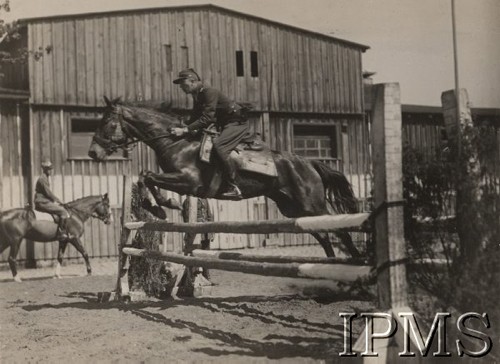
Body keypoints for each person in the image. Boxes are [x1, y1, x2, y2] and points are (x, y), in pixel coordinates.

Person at [171, 68, 250, 199]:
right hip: (223, 124)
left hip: (236, 122)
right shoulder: (197, 95)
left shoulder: (208, 92)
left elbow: (208, 118)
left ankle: (232, 185)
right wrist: (183, 127)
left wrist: (185, 130)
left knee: (219, 146)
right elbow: (195, 117)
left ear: (192, 81)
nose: (181, 88)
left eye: (183, 84)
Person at [34, 160, 73, 240]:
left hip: (44, 201)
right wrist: (58, 200)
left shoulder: (45, 178)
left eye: (51, 169)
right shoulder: (42, 179)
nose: (50, 171)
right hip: (42, 202)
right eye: (49, 169)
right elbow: (48, 193)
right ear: (45, 169)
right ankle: (61, 233)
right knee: (63, 211)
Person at [182, 197, 214, 280]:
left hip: (206, 231)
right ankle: (194, 277)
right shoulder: (189, 200)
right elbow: (186, 216)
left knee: (206, 253)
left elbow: (209, 214)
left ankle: (207, 277)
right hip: (196, 232)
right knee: (195, 253)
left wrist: (212, 231)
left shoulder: (206, 199)